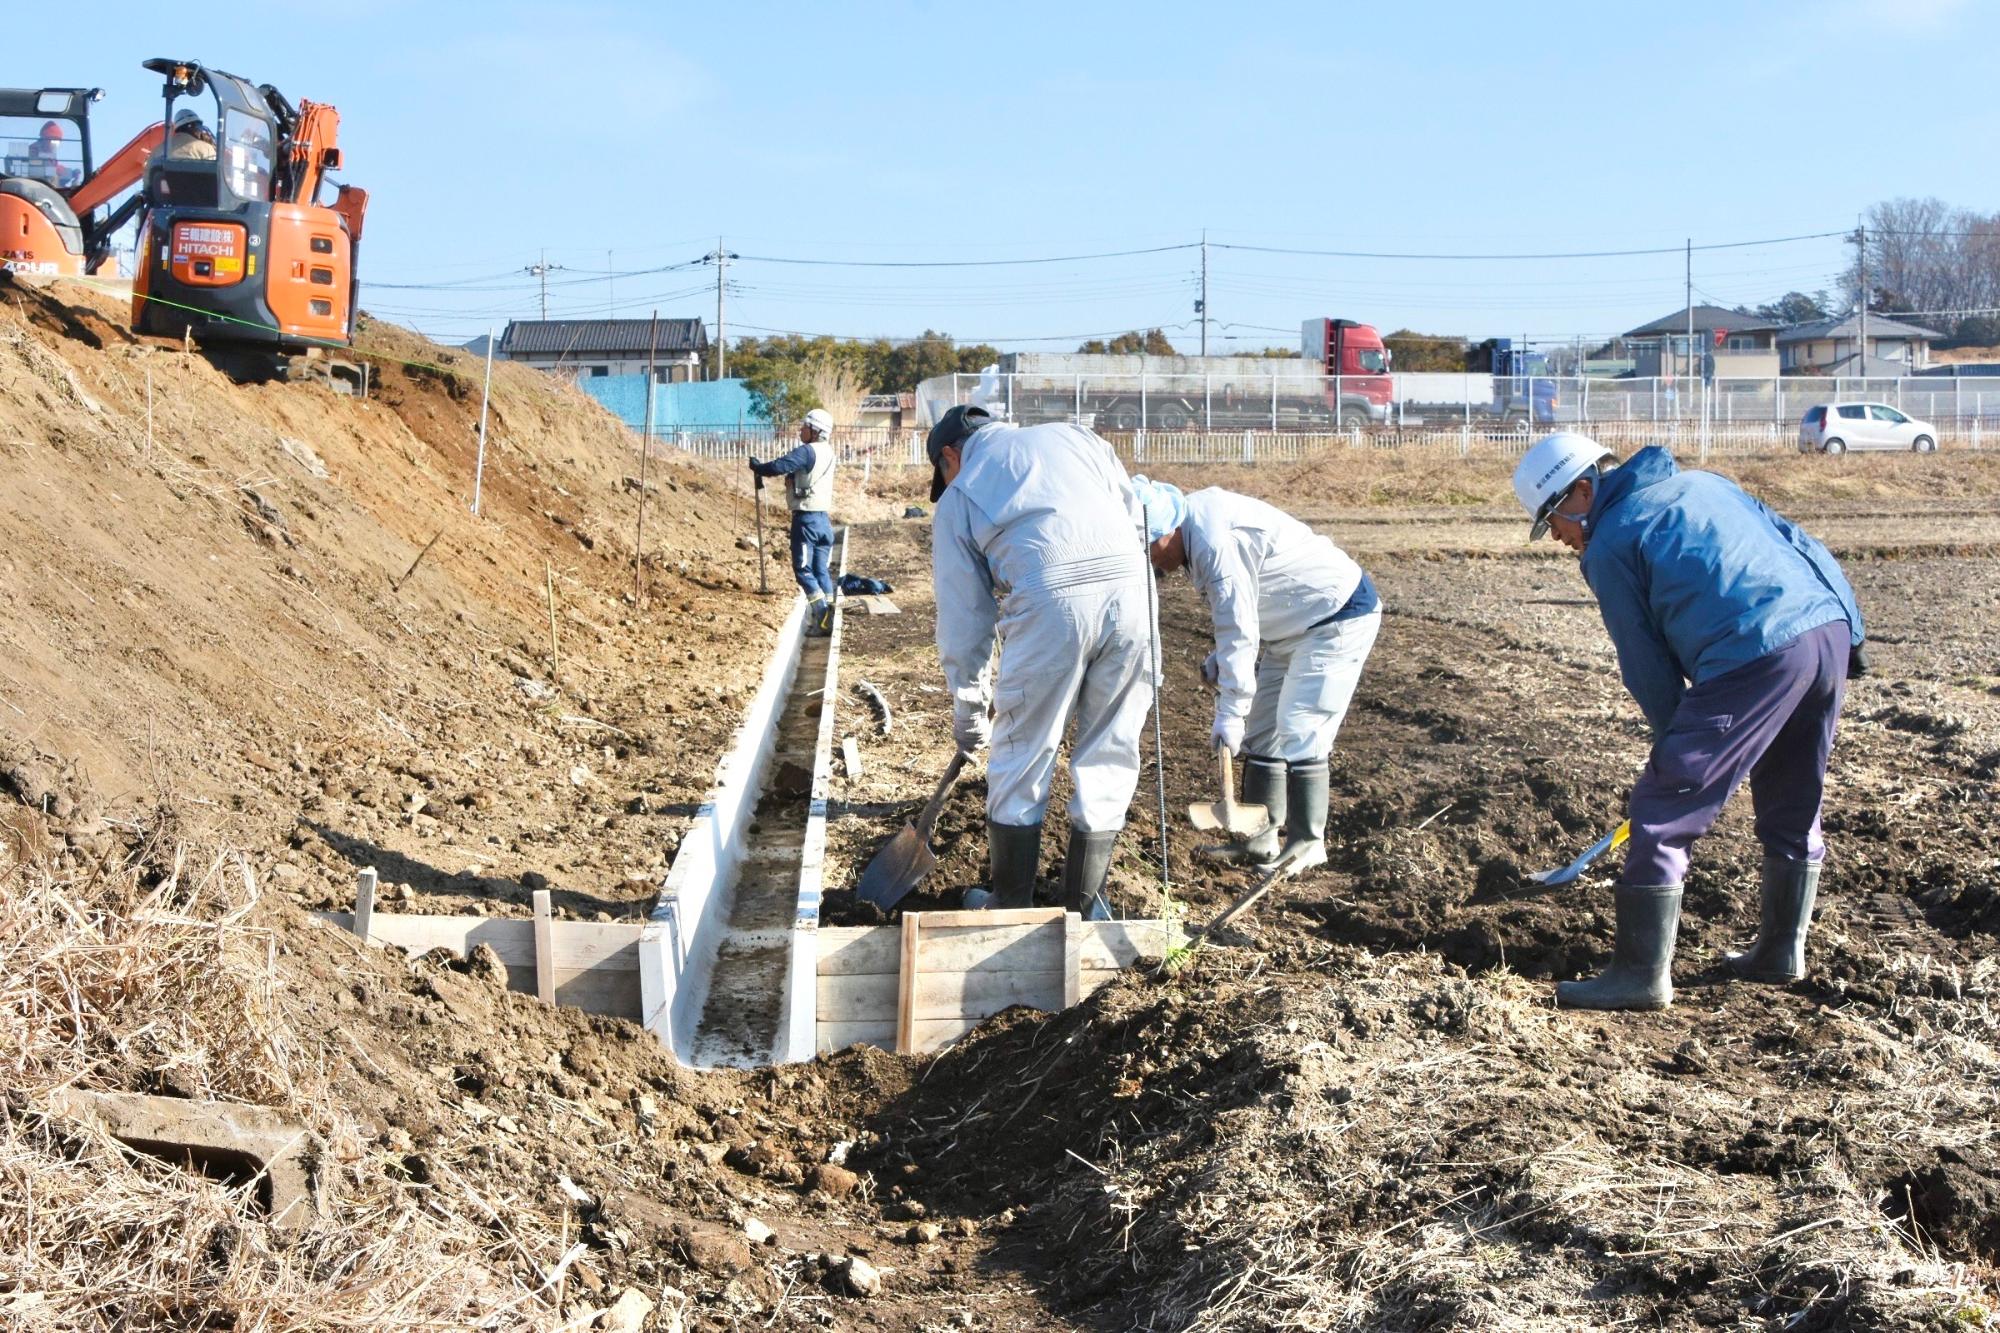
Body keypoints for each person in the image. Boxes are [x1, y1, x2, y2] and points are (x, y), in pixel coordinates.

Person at [1512, 432, 1866, 1011]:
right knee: (1793, 794)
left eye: (1554, 518)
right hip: (1823, 633)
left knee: (1663, 807)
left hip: (1753, 652)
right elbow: (1804, 546)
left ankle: (1638, 976)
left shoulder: (1610, 544)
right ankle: (1781, 953)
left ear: (1584, 489)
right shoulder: (1704, 483)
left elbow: (1645, 663)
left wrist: (1677, 751)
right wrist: (1849, 633)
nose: (1556, 535)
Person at [928, 405, 1152, 917]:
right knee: (1110, 748)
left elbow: (965, 618)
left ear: (949, 455)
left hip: (1052, 600)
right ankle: (1085, 903)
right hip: (1135, 592)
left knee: (1023, 747)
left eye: (941, 475)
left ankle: (1010, 901)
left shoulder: (961, 493)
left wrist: (968, 705)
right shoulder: (1077, 437)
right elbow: (1132, 509)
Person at [1134, 478, 1381, 876]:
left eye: (1147, 548)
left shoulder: (1217, 541)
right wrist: (1224, 658)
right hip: (1289, 627)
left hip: (1337, 616)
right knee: (1264, 730)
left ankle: (1307, 842)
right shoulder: (1195, 527)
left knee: (1301, 725)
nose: (1149, 560)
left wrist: (1230, 711)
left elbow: (1237, 625)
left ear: (1166, 532)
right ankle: (1259, 840)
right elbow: (1247, 607)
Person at [748, 408, 838, 635]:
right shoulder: (829, 452)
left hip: (806, 520)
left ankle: (822, 616)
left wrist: (759, 468)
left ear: (815, 431)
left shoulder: (808, 452)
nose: (801, 430)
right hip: (824, 521)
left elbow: (780, 466)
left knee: (803, 570)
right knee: (820, 570)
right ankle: (830, 618)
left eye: (805, 427)